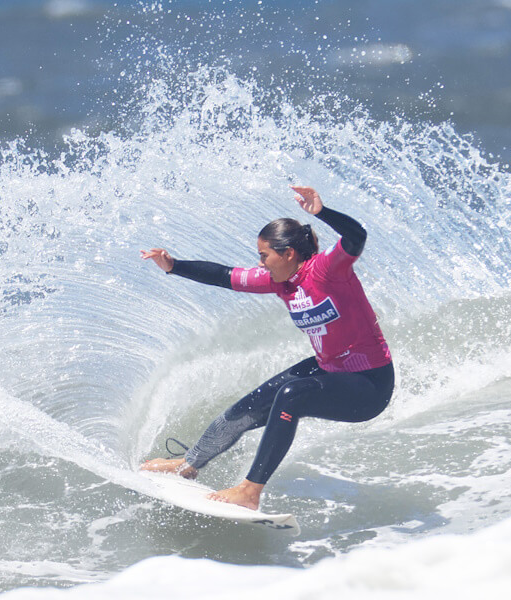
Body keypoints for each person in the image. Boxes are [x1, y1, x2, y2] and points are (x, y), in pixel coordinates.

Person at [139, 186, 394, 510]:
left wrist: (321, 212)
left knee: (292, 395)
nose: (261, 263)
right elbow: (224, 276)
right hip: (332, 369)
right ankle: (188, 465)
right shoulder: (280, 281)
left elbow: (356, 236)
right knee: (253, 404)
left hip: (369, 385)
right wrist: (174, 265)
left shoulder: (328, 270)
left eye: (264, 256)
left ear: (288, 254)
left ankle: (250, 491)